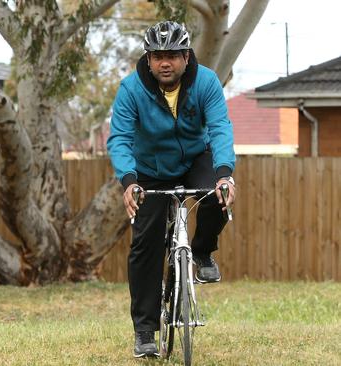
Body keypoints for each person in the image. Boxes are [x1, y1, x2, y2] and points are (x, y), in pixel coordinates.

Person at [106, 21, 236, 358]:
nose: (166, 63)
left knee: (215, 195)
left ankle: (203, 251)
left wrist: (224, 174)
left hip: (196, 159)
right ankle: (146, 330)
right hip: (150, 170)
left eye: (174, 56)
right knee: (145, 246)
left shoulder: (206, 82)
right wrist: (129, 180)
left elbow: (221, 127)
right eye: (158, 56)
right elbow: (119, 138)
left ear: (186, 55)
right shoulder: (131, 89)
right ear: (148, 59)